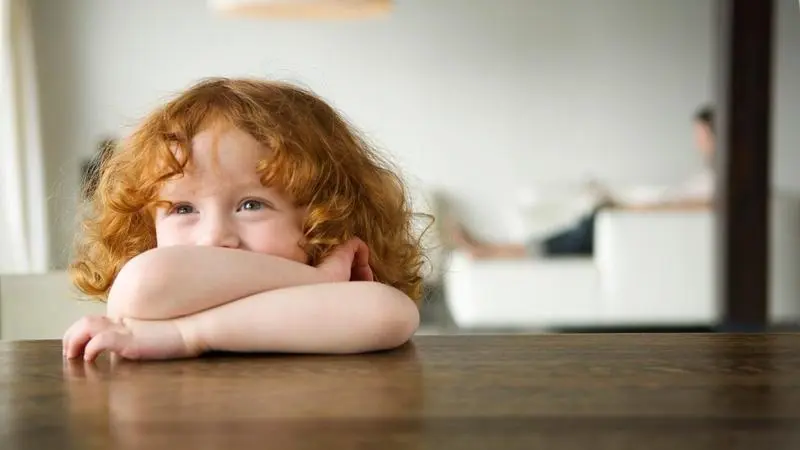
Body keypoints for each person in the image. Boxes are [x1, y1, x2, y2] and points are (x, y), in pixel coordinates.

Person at [62, 78, 424, 361]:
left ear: (322, 220)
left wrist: (187, 335)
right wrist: (314, 278)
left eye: (251, 205)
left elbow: (390, 315)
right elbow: (140, 287)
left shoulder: (337, 304)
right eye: (183, 209)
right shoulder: (152, 300)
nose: (215, 236)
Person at [447, 105, 717, 260]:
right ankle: (494, 247)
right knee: (583, 219)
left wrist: (628, 210)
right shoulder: (708, 174)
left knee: (584, 229)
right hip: (639, 222)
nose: (697, 142)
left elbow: (693, 208)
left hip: (643, 228)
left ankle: (492, 249)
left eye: (701, 134)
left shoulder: (722, 178)